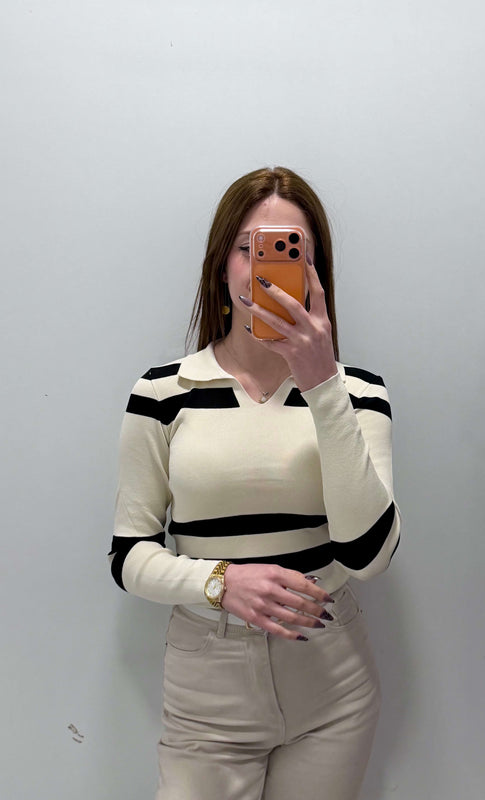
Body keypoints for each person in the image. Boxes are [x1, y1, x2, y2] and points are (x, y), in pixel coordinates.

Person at [109, 166, 401, 800]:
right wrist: (220, 581)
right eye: (248, 248)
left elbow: (369, 557)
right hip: (207, 685)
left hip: (333, 680)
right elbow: (128, 555)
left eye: (290, 251)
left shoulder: (359, 394)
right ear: (222, 265)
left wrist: (322, 383)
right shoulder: (162, 394)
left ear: (315, 271)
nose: (263, 270)